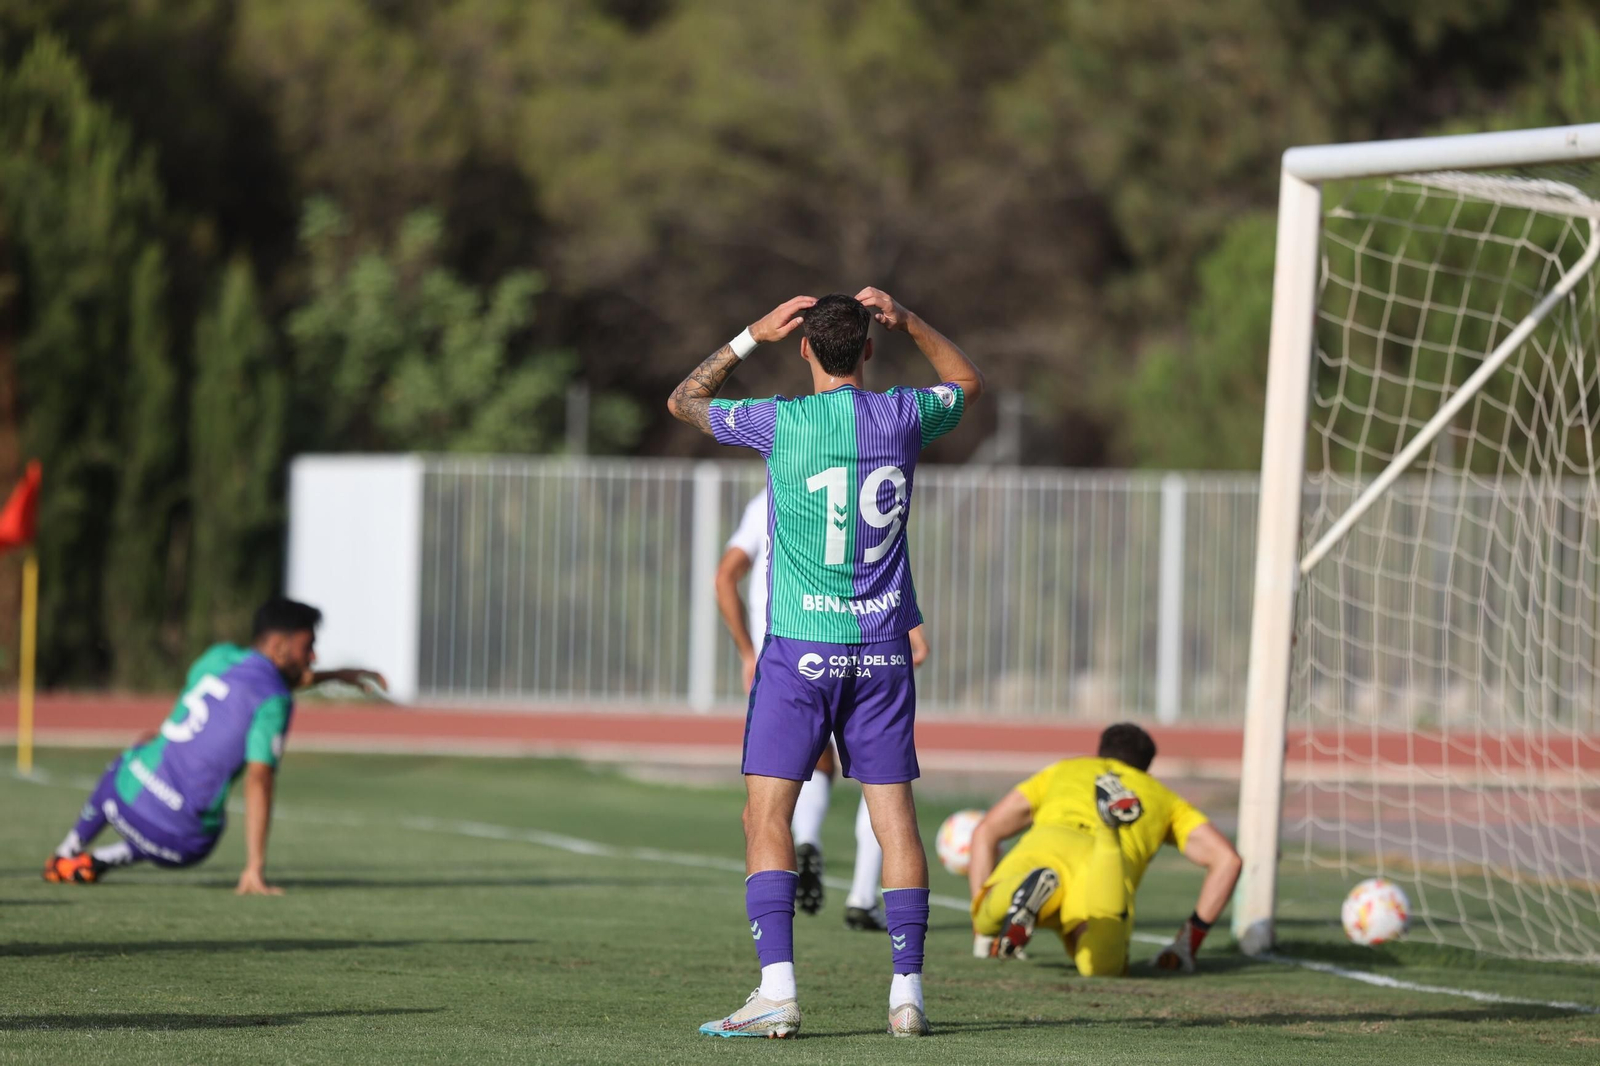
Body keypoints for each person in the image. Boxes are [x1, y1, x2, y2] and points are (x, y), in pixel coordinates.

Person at [669, 288, 982, 1038]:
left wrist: (750, 334)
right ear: (868, 350)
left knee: (765, 814)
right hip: (881, 651)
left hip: (799, 650)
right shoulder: (905, 415)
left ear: (804, 346)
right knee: (894, 819)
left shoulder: (780, 422)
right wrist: (908, 318)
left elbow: (684, 399)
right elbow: (968, 381)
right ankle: (907, 994)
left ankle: (777, 991)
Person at [42, 598, 385, 896]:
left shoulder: (218, 656)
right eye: (307, 645)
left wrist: (337, 675)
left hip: (122, 801)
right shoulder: (275, 700)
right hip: (179, 846)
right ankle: (102, 859)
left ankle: (67, 850)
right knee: (202, 822)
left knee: (140, 749)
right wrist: (254, 867)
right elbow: (259, 777)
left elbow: (265, 681)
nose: (313, 656)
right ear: (280, 644)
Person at [715, 487, 929, 929]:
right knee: (886, 793)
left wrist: (746, 652)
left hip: (789, 657)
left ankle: (778, 969)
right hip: (867, 650)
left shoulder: (771, 496)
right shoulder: (869, 478)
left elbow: (725, 577)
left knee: (763, 812)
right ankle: (866, 903)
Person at [966, 723, 1242, 976]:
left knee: (989, 912)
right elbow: (1227, 860)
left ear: (1100, 753)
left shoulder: (1064, 770)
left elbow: (985, 831)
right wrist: (1187, 943)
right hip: (1104, 871)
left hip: (1044, 853)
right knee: (1100, 964)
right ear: (1147, 769)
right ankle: (1109, 826)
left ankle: (1011, 899)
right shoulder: (1165, 798)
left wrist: (981, 929)